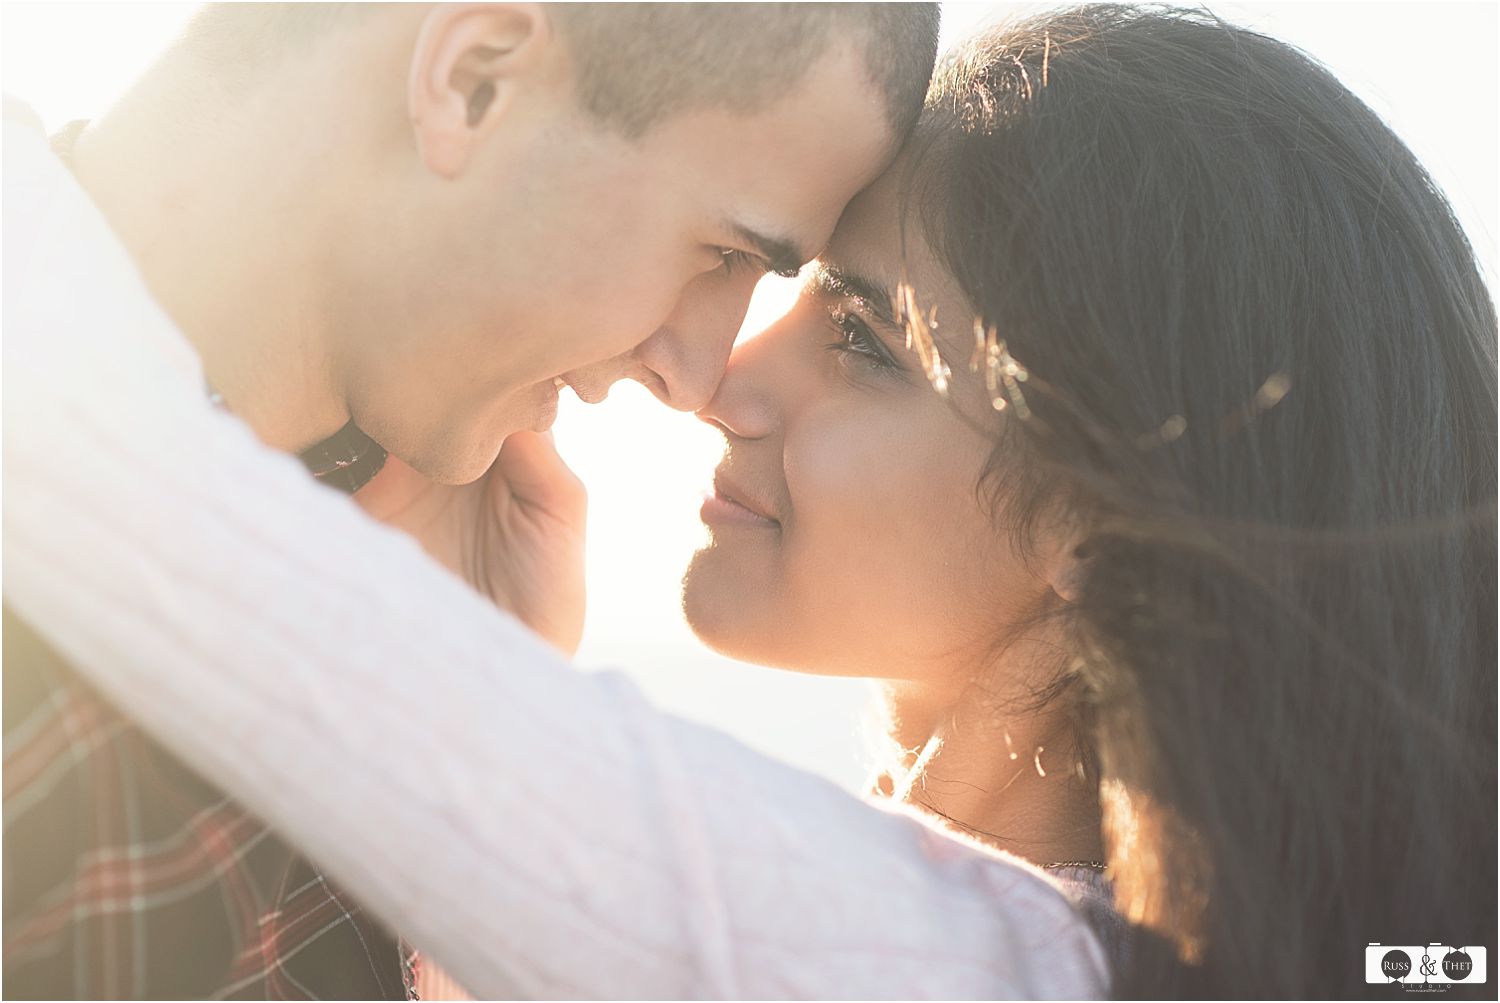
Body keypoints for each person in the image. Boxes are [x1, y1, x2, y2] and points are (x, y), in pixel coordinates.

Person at [7, 3, 1495, 999]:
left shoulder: (985, 961)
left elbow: (143, 505)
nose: (713, 377)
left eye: (864, 336)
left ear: (1096, 513)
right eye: (748, 266)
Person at [0, 2, 940, 997]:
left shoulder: (352, 585)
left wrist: (449, 739)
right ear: (474, 80)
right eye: (723, 253)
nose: (698, 375)